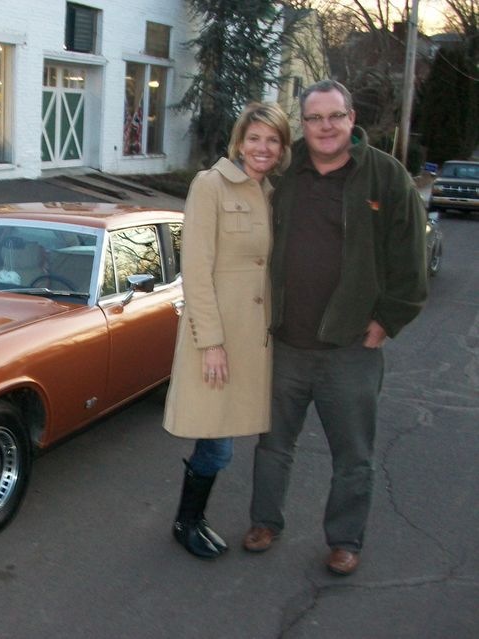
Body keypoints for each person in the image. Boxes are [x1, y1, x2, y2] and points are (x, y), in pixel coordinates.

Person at [243, 79, 428, 576]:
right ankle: (264, 522)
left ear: (351, 119)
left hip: (351, 348)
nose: (325, 127)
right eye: (314, 118)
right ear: (302, 123)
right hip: (285, 343)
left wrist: (386, 322)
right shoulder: (284, 172)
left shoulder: (385, 177)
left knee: (353, 455)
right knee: (272, 445)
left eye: (335, 116)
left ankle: (345, 540)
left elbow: (411, 263)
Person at [164, 103, 292, 560]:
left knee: (223, 436)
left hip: (255, 341)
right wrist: (211, 343)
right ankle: (186, 521)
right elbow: (196, 271)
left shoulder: (274, 194)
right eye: (255, 138)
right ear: (240, 141)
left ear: (282, 148)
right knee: (217, 443)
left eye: (273, 140)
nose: (263, 148)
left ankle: (192, 518)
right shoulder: (210, 185)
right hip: (218, 340)